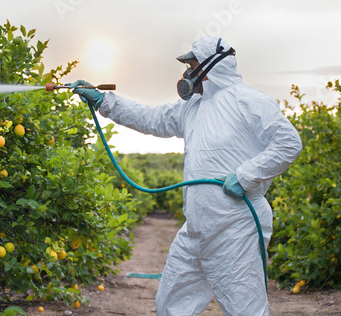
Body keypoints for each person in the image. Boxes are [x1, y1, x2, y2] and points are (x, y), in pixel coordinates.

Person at [70, 36, 302, 315]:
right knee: (171, 305)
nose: (186, 72)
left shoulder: (249, 101)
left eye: (191, 64)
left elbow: (288, 143)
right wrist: (103, 101)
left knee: (245, 310)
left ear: (209, 66)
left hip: (236, 228)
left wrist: (245, 176)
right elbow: (151, 118)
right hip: (196, 229)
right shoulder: (193, 107)